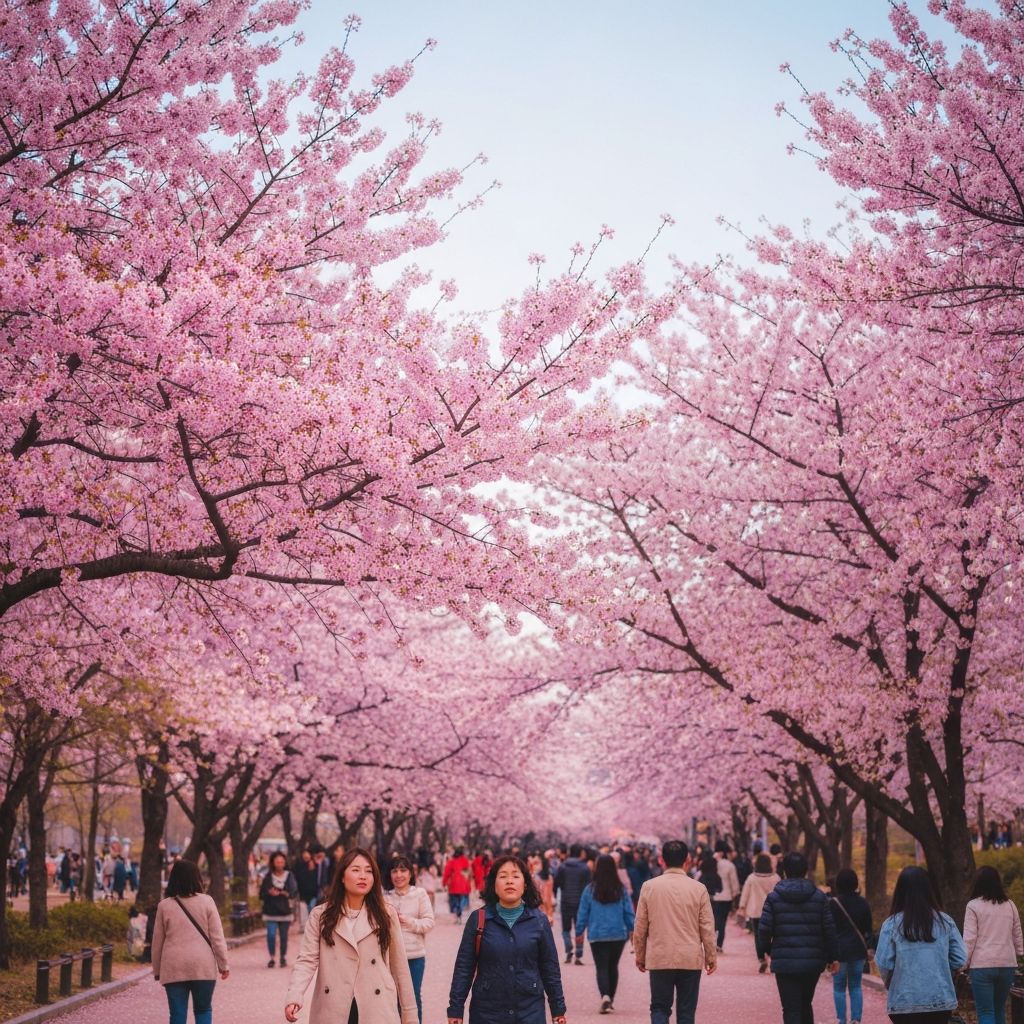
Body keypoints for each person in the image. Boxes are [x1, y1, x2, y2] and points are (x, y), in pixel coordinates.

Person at [285, 847, 417, 1024]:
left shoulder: (386, 914)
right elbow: (307, 959)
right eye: (356, 870)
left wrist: (410, 1015)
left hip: (376, 1006)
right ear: (342, 876)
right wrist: (295, 995)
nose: (363, 876)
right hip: (334, 1005)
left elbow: (400, 967)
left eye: (368, 871)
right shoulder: (321, 915)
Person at [446, 855, 566, 1024]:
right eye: (503, 876)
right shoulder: (478, 919)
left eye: (515, 876)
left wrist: (558, 1009)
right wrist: (455, 1009)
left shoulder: (539, 921)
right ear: (494, 885)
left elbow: (550, 968)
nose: (509, 881)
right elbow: (464, 967)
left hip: (529, 1011)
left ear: (525, 884)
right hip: (487, 1013)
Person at [633, 839, 716, 1024]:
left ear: (662, 860)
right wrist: (710, 956)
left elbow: (640, 926)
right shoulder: (698, 889)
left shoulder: (649, 887)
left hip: (660, 956)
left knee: (659, 1008)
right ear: (687, 860)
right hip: (690, 957)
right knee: (686, 1011)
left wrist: (640, 955)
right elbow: (707, 926)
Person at [873, 866, 967, 1024]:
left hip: (903, 1002)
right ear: (929, 890)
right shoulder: (945, 922)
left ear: (900, 892)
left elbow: (883, 964)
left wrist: (893, 984)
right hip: (939, 1000)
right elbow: (960, 959)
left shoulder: (891, 925)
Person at [759, 851, 839, 1024]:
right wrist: (833, 957)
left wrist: (766, 950)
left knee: (790, 1008)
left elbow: (764, 930)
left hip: (784, 961)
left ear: (785, 871)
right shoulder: (819, 897)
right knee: (805, 1003)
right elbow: (829, 929)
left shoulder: (773, 898)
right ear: (805, 870)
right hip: (812, 960)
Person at [151, 859, 230, 1024]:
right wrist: (223, 965)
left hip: (174, 965)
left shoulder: (164, 906)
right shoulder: (207, 902)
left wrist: (157, 970)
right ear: (197, 878)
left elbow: (157, 942)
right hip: (202, 965)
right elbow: (217, 938)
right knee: (203, 1010)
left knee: (177, 1014)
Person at [575, 853, 636, 1014]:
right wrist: (633, 929)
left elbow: (583, 912)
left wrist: (579, 931)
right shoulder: (620, 889)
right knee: (613, 966)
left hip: (597, 934)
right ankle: (610, 999)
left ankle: (605, 996)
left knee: (601, 967)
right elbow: (628, 911)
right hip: (618, 934)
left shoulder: (590, 889)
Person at [963, 865, 1023, 1024]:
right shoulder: (1010, 904)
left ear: (977, 883)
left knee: (986, 1012)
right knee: (999, 1009)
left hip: (982, 965)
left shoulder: (973, 906)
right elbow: (1017, 932)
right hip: (1007, 964)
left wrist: (963, 964)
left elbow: (969, 939)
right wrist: (1020, 952)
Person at [384, 855, 435, 1024]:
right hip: (391, 957)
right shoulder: (385, 897)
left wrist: (407, 921)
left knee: (413, 997)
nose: (398, 875)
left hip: (415, 956)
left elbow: (429, 922)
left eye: (403, 870)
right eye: (394, 871)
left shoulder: (420, 894)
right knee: (393, 997)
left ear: (410, 873)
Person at [829, 868, 873, 1024]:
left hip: (838, 953)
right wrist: (870, 948)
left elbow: (829, 929)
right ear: (855, 883)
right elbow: (868, 929)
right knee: (855, 986)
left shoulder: (833, 904)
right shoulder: (863, 903)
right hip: (858, 951)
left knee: (838, 988)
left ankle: (841, 1020)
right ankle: (856, 1019)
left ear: (838, 884)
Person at [738, 852, 779, 974]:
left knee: (758, 936)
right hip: (772, 911)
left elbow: (745, 893)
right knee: (772, 935)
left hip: (755, 911)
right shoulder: (775, 877)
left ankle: (761, 958)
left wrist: (742, 906)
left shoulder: (752, 877)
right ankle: (771, 954)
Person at [554, 843, 592, 964]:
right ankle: (578, 954)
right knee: (579, 928)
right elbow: (589, 886)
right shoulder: (585, 868)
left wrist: (558, 893)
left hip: (565, 900)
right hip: (580, 902)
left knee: (566, 928)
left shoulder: (563, 866)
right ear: (580, 853)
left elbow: (557, 883)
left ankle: (568, 950)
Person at [261, 851, 299, 968]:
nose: (279, 864)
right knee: (271, 935)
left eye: (282, 862)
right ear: (273, 863)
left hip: (285, 911)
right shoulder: (268, 877)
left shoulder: (289, 875)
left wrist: (284, 893)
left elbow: (293, 892)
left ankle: (283, 957)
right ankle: (272, 957)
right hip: (270, 911)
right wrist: (269, 893)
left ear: (285, 863)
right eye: (277, 862)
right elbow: (261, 894)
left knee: (283, 936)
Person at [711, 842, 740, 952]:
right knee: (722, 922)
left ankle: (712, 942)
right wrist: (735, 895)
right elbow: (734, 883)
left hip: (713, 897)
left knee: (713, 920)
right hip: (726, 898)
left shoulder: (710, 862)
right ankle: (719, 944)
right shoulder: (730, 865)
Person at [442, 847, 472, 924]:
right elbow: (469, 873)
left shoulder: (451, 862)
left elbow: (446, 873)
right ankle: (459, 915)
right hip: (463, 884)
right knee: (461, 900)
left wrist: (444, 883)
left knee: (455, 901)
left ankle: (457, 916)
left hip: (454, 884)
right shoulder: (465, 861)